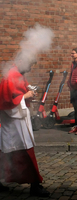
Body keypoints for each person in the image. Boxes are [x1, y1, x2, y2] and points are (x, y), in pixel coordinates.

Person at [0, 59, 50, 197]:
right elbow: (6, 101)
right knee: (26, 153)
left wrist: (28, 96)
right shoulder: (11, 76)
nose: (30, 70)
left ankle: (34, 185)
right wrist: (25, 96)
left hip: (17, 122)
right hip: (15, 124)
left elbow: (18, 94)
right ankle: (35, 185)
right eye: (29, 66)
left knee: (7, 153)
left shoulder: (18, 73)